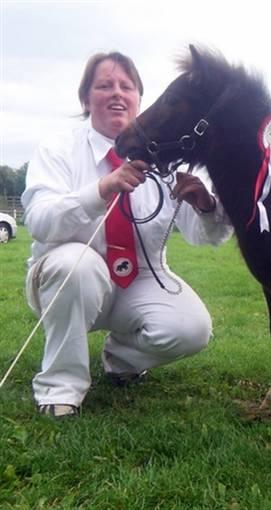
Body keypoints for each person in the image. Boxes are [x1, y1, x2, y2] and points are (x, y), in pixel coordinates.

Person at [22, 51, 233, 418]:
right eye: (104, 86)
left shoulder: (162, 157)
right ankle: (61, 386)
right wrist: (100, 189)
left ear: (139, 99)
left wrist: (205, 206)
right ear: (86, 99)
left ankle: (121, 359)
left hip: (141, 279)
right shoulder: (58, 149)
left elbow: (205, 237)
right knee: (78, 262)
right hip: (64, 277)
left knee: (192, 329)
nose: (117, 93)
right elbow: (39, 220)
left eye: (127, 86)